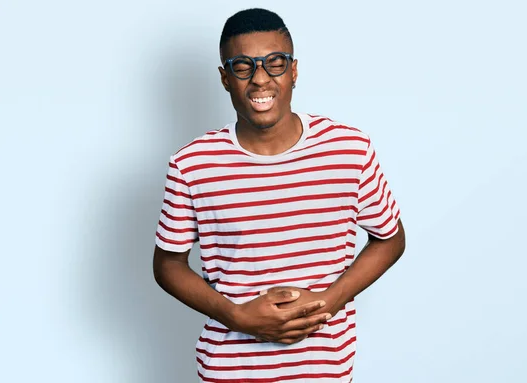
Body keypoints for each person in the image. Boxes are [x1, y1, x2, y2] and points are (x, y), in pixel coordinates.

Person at [153, 7, 406, 382]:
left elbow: (391, 239)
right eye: (243, 66)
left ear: (294, 70)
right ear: (225, 78)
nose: (260, 80)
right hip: (228, 371)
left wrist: (326, 304)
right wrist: (238, 317)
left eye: (274, 63)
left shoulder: (349, 149)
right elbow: (167, 265)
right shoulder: (193, 163)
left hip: (324, 371)